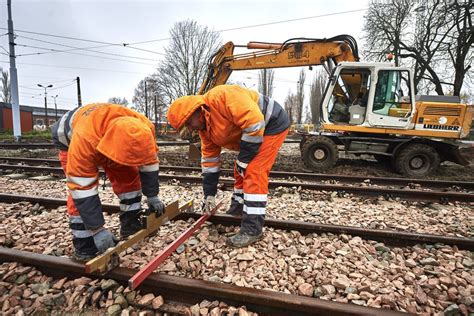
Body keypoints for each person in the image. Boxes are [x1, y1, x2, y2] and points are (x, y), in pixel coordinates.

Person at [167, 85, 290, 247]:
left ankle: (252, 229)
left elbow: (254, 124)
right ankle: (238, 207)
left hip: (271, 123)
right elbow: (210, 163)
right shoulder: (205, 131)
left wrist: (244, 161)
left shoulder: (222, 97)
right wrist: (208, 194)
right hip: (255, 129)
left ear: (197, 111)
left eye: (189, 123)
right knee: (239, 169)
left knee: (254, 170)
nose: (190, 129)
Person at [52, 103, 165, 261]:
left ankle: (130, 224)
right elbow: (81, 188)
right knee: (78, 192)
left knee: (129, 177)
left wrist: (152, 195)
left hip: (103, 130)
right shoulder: (85, 140)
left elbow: (149, 163)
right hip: (69, 140)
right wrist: (97, 229)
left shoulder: (145, 128)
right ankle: (85, 245)